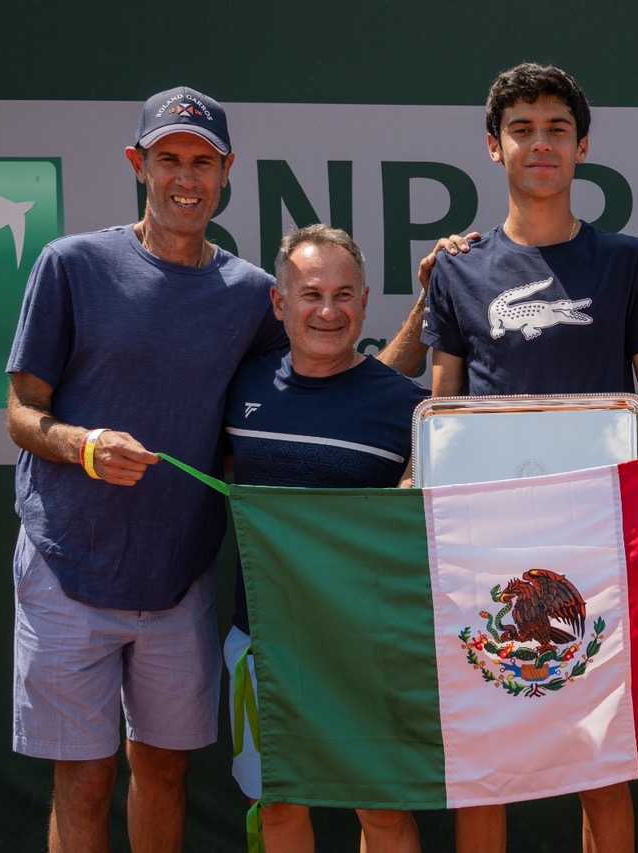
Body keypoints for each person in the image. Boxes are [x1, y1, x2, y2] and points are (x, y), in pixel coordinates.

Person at [5, 86, 425, 853]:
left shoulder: (247, 295)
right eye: (169, 160)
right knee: (85, 780)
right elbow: (21, 411)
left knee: (163, 770)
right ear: (140, 164)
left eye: (203, 162)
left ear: (226, 171)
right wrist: (84, 445)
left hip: (181, 582)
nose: (186, 179)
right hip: (67, 566)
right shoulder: (71, 265)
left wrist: (423, 314)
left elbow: (331, 382)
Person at [419, 62, 638, 853]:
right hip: (484, 550)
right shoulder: (459, 267)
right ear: (494, 147)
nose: (541, 144)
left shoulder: (627, 261)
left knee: (599, 758)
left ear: (583, 146)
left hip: (597, 546)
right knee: (483, 755)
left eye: (556, 129)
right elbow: (441, 416)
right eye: (523, 129)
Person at [223, 224, 426, 852]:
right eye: (311, 294)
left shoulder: (406, 407)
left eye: (344, 294)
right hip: (259, 641)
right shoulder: (240, 386)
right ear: (281, 304)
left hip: (367, 646)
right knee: (279, 808)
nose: (329, 310)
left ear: (365, 302)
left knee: (382, 813)